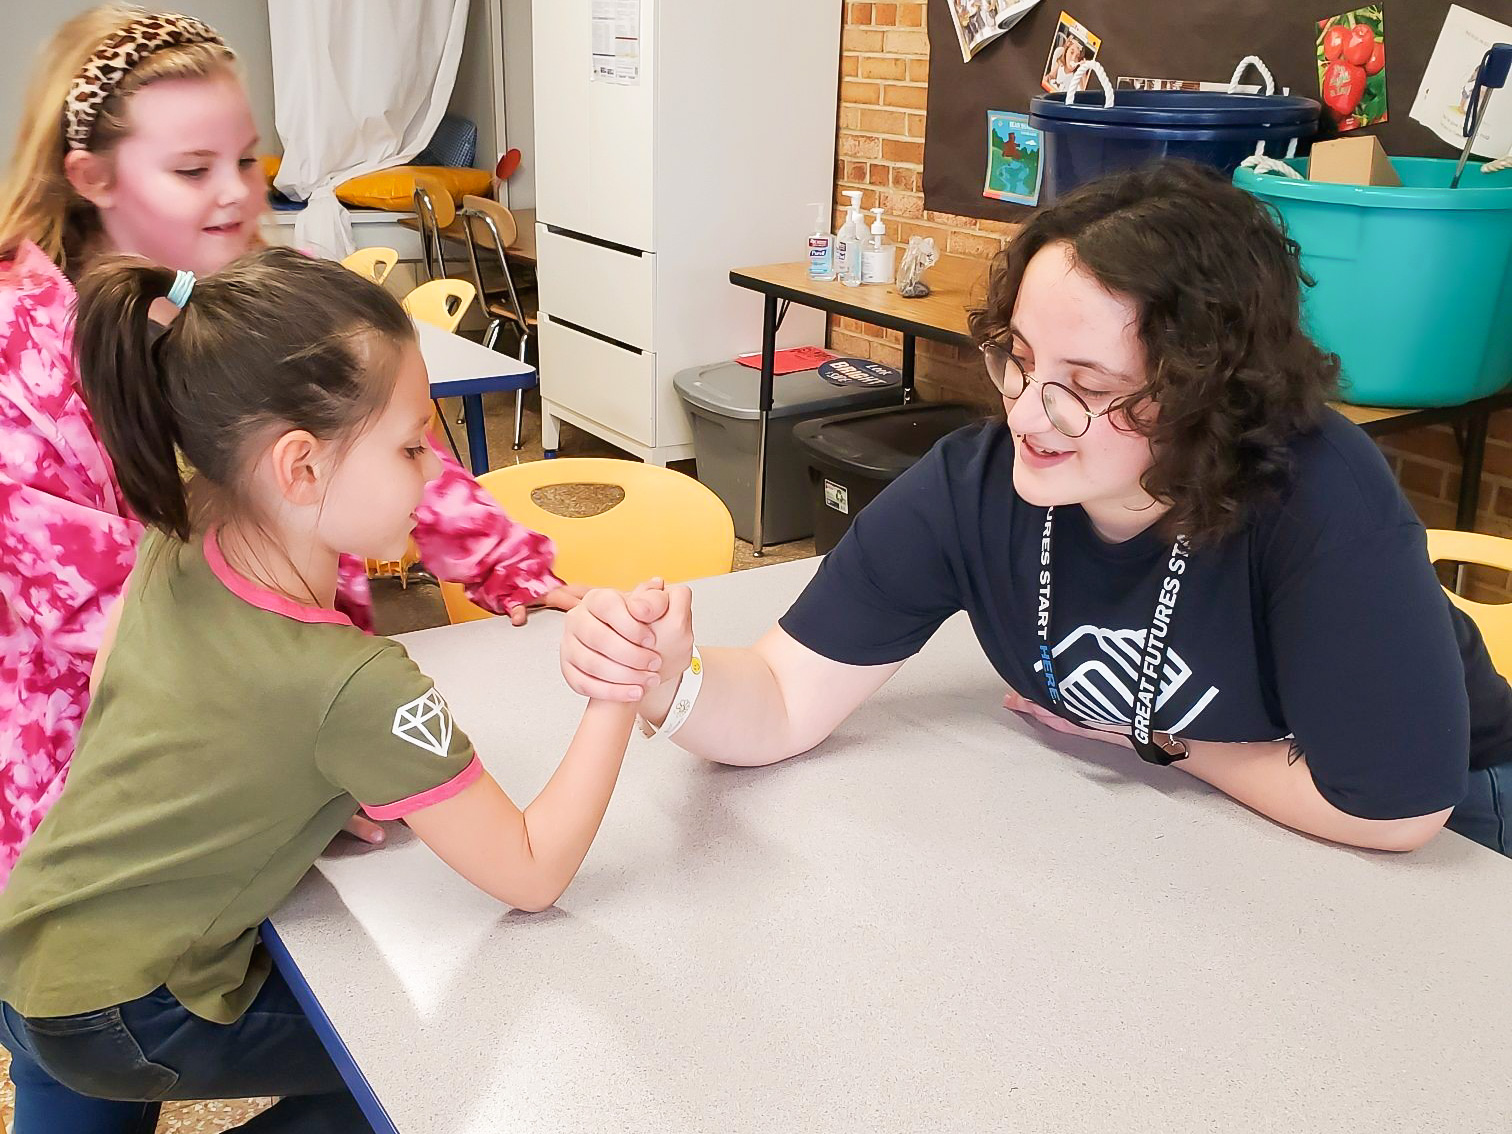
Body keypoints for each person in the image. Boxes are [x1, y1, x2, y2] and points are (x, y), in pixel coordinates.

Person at [560, 160, 1512, 859]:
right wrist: (667, 680)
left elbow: (1391, 809)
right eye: (1016, 357)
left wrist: (1158, 746)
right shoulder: (971, 488)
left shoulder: (1317, 497)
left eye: (1086, 386)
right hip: (1206, 843)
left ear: (1208, 393)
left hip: (1450, 823)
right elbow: (776, 702)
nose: (1027, 412)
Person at [0, 248, 643, 1133]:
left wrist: (278, 780)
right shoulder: (352, 683)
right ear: (300, 467)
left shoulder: (179, 527)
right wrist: (620, 683)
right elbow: (531, 873)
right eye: (413, 445)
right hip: (131, 1010)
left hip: (32, 947)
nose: (430, 476)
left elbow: (127, 703)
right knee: (426, 1053)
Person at [0, 4, 581, 891]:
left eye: (245, 159)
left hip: (280, 742)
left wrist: (509, 564)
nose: (237, 193)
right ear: (92, 177)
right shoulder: (20, 355)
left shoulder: (235, 292)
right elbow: (110, 619)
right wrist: (303, 740)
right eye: (192, 170)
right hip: (119, 808)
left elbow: (385, 446)